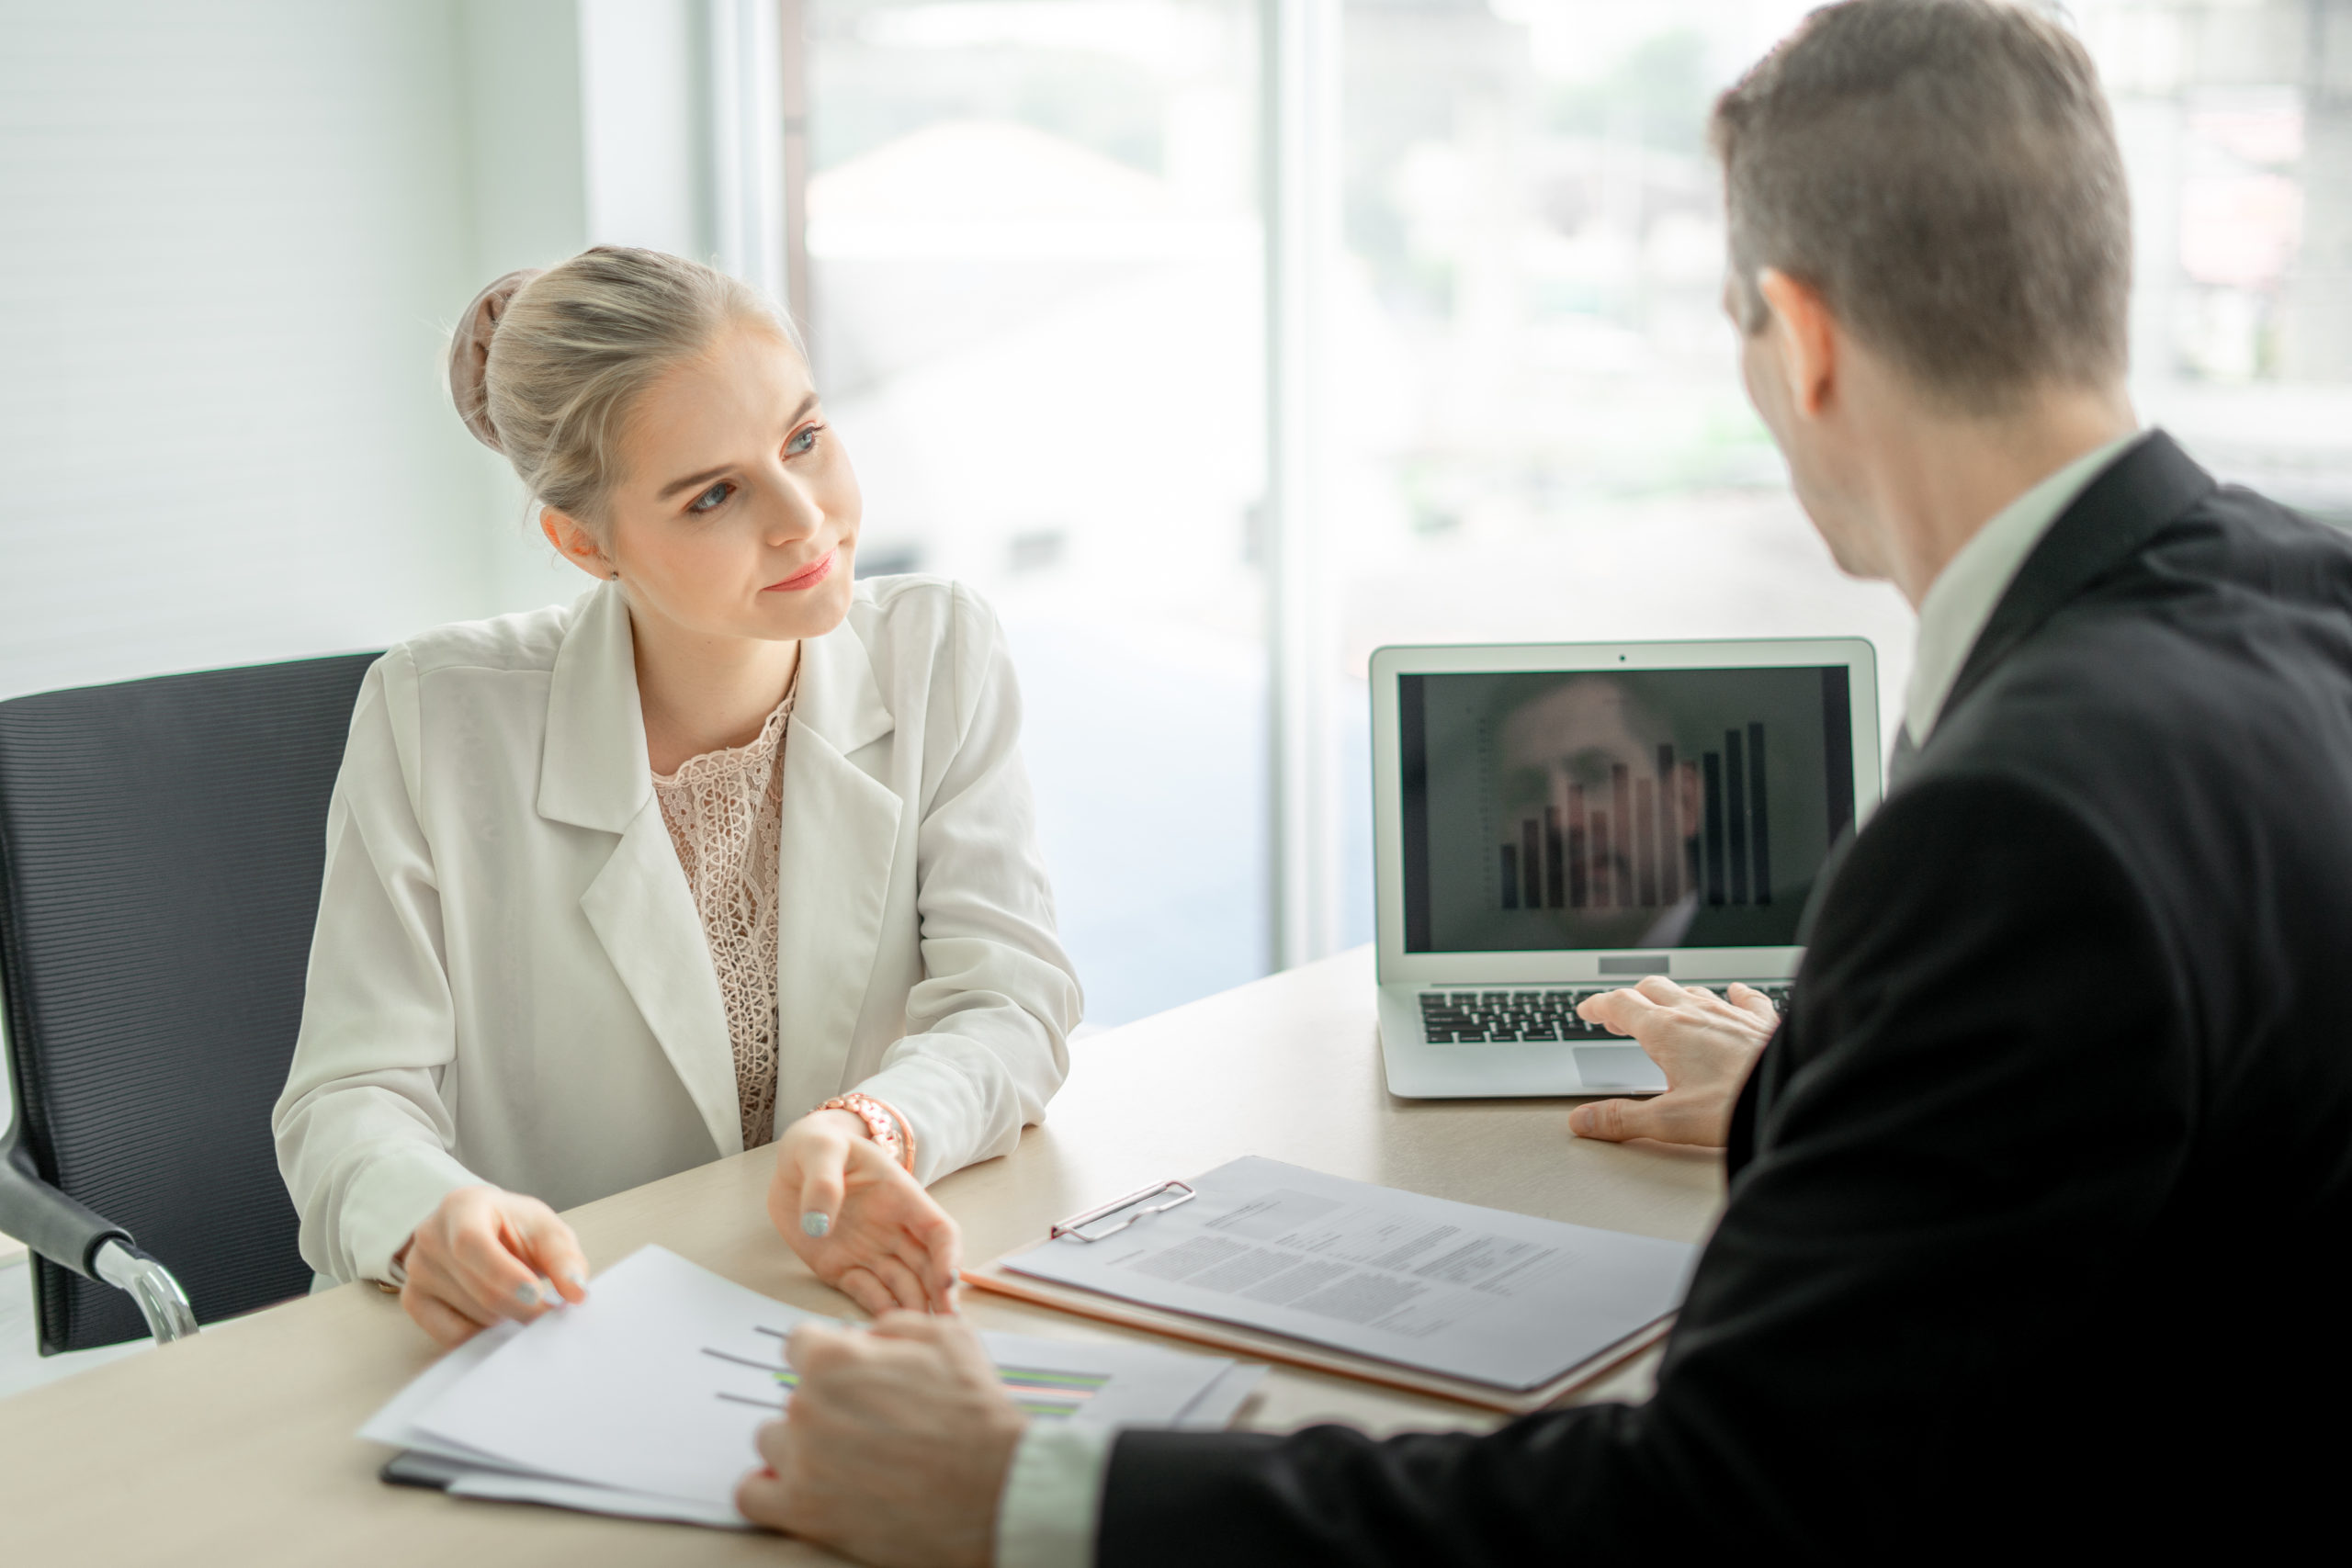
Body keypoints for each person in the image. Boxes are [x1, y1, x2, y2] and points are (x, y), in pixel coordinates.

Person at [730, 2, 2352, 1561]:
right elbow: (2170, 1086)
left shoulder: (2013, 824)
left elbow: (1714, 1510)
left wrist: (1024, 1494)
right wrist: (1819, 1088)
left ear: (1798, 337)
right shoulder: (2310, 594)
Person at [274, 246, 1080, 1344]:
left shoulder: (937, 650)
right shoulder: (434, 714)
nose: (804, 517)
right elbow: (348, 1098)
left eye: (803, 438)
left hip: (830, 1306)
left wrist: (879, 1124)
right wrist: (427, 1217)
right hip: (560, 1331)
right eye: (713, 495)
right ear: (584, 542)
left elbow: (1010, 999)